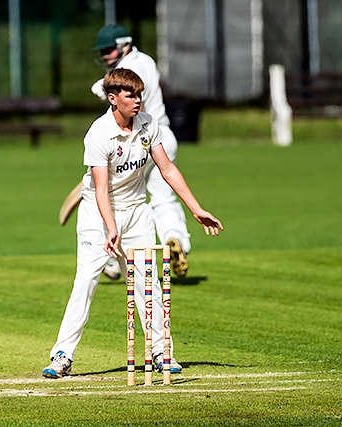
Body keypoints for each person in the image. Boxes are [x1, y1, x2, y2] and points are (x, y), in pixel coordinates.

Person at [43, 68, 223, 379]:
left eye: (139, 94)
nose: (138, 100)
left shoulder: (148, 125)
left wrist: (196, 209)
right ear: (113, 99)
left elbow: (167, 169)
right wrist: (111, 228)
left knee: (146, 281)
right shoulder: (98, 134)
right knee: (87, 279)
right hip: (98, 215)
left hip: (137, 211)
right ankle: (62, 355)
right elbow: (100, 189)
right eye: (131, 95)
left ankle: (159, 350)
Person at [91, 24, 191, 278]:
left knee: (112, 197)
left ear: (124, 44)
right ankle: (174, 237)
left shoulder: (129, 70)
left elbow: (129, 106)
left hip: (139, 140)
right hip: (164, 135)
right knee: (163, 198)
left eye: (109, 49)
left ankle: (111, 258)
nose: (105, 55)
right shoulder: (146, 60)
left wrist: (104, 89)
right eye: (102, 50)